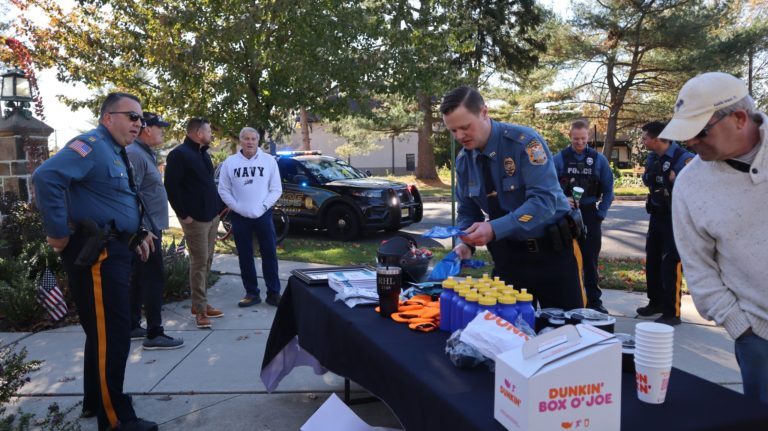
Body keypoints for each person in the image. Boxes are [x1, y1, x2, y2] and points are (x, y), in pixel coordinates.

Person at [32, 92, 158, 430]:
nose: (139, 124)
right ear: (107, 118)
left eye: (141, 119)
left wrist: (137, 234)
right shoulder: (90, 145)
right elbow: (46, 177)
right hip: (98, 255)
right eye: (132, 116)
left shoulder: (114, 151)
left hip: (114, 250)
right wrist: (57, 233)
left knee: (103, 333)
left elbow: (113, 201)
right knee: (113, 335)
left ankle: (95, 401)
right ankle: (114, 418)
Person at [661, 71, 768, 404]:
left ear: (739, 118)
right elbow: (698, 267)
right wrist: (741, 328)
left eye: (699, 131)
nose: (690, 142)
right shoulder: (690, 185)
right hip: (759, 339)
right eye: (685, 136)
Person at [441, 86, 586, 311]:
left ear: (484, 112)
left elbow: (544, 202)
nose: (459, 136)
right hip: (507, 259)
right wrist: (465, 243)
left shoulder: (525, 143)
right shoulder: (463, 161)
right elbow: (468, 210)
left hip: (552, 255)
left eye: (465, 127)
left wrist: (493, 229)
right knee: (507, 335)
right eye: (452, 131)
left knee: (566, 333)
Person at [126, 112, 184, 349]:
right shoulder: (134, 154)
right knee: (152, 279)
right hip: (145, 232)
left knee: (140, 279)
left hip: (148, 229)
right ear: (147, 129)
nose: (163, 131)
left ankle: (132, 325)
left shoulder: (143, 153)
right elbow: (129, 194)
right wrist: (140, 230)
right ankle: (154, 334)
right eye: (160, 127)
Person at [164, 117, 224, 329]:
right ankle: (200, 312)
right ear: (199, 133)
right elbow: (171, 187)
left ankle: (201, 303)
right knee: (199, 263)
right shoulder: (179, 155)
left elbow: (207, 185)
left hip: (211, 216)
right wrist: (183, 215)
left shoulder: (204, 154)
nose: (211, 135)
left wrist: (217, 210)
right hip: (195, 220)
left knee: (207, 262)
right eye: (209, 131)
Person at [635, 121, 693, 326]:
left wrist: (676, 181)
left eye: (645, 138)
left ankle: (672, 312)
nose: (643, 142)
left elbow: (695, 189)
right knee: (653, 260)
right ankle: (656, 303)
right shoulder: (653, 157)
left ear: (657, 138)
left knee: (671, 263)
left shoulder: (684, 159)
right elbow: (647, 180)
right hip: (657, 214)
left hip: (675, 218)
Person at [217, 127, 283, 307]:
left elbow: (276, 189)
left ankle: (274, 293)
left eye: (253, 138)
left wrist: (262, 206)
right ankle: (251, 293)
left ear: (258, 141)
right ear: (240, 141)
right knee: (245, 256)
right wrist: (237, 207)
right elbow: (223, 189)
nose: (250, 142)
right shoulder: (230, 163)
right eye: (246, 138)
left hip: (263, 214)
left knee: (269, 253)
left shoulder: (269, 161)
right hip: (239, 216)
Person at [553, 120, 614, 313]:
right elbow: (547, 187)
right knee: (564, 258)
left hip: (589, 213)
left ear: (588, 136)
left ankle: (594, 302)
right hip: (564, 214)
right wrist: (562, 200)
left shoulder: (598, 160)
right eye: (575, 138)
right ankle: (566, 299)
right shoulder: (559, 159)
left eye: (583, 138)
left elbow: (609, 191)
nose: (579, 142)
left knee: (590, 259)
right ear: (569, 136)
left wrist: (600, 214)